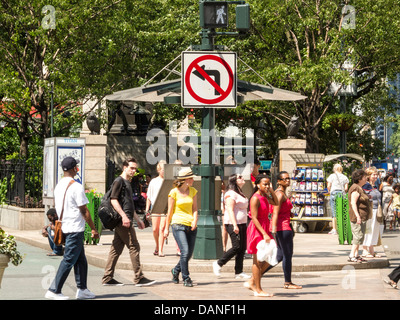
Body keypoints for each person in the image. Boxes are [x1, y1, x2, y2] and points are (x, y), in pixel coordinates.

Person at [45, 156, 99, 300]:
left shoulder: (59, 186)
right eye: (76, 167)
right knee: (69, 259)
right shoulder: (76, 186)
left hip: (65, 226)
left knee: (81, 259)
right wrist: (93, 229)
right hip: (75, 228)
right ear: (75, 168)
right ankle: (54, 290)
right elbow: (84, 210)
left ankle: (82, 289)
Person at [102, 158, 156, 287]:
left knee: (116, 249)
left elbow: (129, 205)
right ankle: (139, 277)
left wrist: (137, 220)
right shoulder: (119, 181)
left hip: (126, 219)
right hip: (122, 221)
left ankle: (107, 278)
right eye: (131, 168)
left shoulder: (128, 182)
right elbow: (113, 200)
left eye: (135, 169)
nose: (133, 171)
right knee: (134, 246)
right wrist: (124, 217)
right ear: (124, 167)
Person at [244, 174, 278, 297]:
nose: (267, 186)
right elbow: (253, 218)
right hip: (257, 229)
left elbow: (276, 202)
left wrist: (271, 190)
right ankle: (258, 289)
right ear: (258, 184)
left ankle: (253, 282)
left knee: (272, 255)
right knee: (257, 260)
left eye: (268, 183)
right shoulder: (255, 198)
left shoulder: (265, 196)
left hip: (265, 227)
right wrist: (264, 234)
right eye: (265, 184)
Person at [164, 167, 198, 287]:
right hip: (177, 224)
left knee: (188, 254)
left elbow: (194, 209)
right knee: (185, 251)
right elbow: (170, 211)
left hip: (191, 224)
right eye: (191, 178)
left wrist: (195, 221)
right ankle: (186, 277)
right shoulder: (173, 192)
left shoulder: (193, 191)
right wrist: (166, 228)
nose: (193, 179)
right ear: (185, 180)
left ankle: (176, 270)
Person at [212, 174, 251, 279]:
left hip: (242, 223)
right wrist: (234, 225)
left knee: (242, 248)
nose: (242, 178)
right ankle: (219, 263)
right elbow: (230, 209)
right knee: (236, 246)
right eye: (240, 177)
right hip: (233, 223)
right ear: (234, 181)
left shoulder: (240, 193)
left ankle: (239, 271)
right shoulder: (230, 193)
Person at [269, 171, 302, 289]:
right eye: (284, 179)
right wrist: (274, 229)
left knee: (279, 256)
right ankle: (288, 282)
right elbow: (275, 212)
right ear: (278, 181)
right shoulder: (279, 194)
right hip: (282, 228)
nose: (287, 180)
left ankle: (257, 275)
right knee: (287, 255)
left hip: (283, 227)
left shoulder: (282, 193)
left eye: (288, 178)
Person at [347, 169, 371, 263]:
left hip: (362, 216)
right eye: (365, 177)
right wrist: (357, 216)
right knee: (357, 236)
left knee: (360, 236)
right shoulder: (355, 188)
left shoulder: (359, 188)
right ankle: (352, 255)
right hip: (357, 216)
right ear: (360, 178)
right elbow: (353, 203)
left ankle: (356, 255)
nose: (366, 179)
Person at [145, 160, 167, 256]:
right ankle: (157, 246)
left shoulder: (168, 182)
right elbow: (149, 197)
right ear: (158, 170)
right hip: (155, 206)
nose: (164, 171)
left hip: (165, 207)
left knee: (162, 228)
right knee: (155, 229)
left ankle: (161, 250)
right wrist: (147, 210)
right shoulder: (153, 181)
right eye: (162, 169)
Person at [362, 167, 382, 258]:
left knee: (375, 230)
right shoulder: (366, 185)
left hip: (376, 210)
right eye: (373, 174)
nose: (375, 176)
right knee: (368, 230)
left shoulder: (375, 186)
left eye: (376, 174)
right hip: (370, 210)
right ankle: (365, 250)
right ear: (369, 176)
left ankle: (371, 249)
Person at [327, 164, 349, 235]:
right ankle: (341, 228)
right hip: (341, 194)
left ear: (334, 169)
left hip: (333, 193)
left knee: (334, 212)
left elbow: (328, 186)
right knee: (341, 211)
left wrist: (329, 191)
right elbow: (346, 188)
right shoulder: (344, 177)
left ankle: (334, 229)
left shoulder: (332, 176)